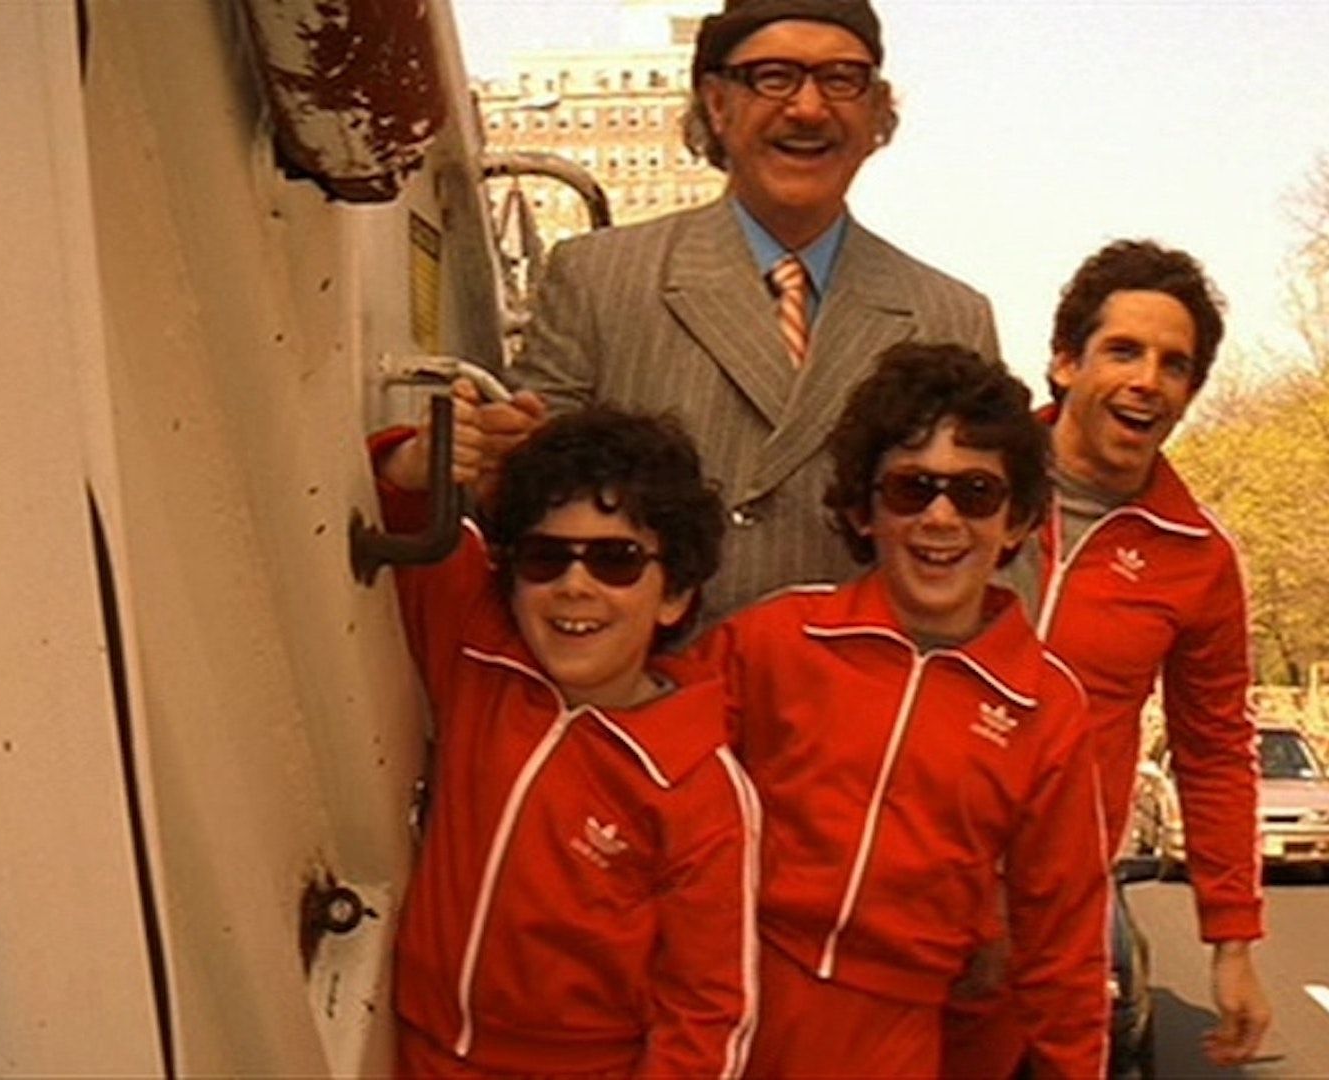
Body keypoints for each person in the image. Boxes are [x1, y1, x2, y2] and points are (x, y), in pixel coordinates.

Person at [509, 0, 1001, 630]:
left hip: (865, 684)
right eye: (774, 77)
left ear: (878, 112)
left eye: (841, 79)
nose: (808, 108)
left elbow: (993, 564)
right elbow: (524, 508)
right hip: (653, 682)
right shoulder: (600, 280)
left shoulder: (951, 316)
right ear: (716, 103)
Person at [693, 342, 1110, 1076]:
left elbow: (1064, 936)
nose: (941, 517)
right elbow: (642, 780)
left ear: (1016, 522)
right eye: (912, 490)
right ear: (865, 511)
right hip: (720, 1005)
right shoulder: (774, 642)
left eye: (975, 493)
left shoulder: (1043, 704)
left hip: (898, 1038)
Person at [948, 240, 1272, 1072]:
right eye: (1123, 351)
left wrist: (1232, 940)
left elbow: (1214, 750)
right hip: (906, 882)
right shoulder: (953, 484)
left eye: (1175, 365)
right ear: (1065, 362)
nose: (1147, 380)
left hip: (1056, 908)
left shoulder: (1197, 556)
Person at [370, 402, 761, 1077]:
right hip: (417, 1051)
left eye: (616, 561)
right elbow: (395, 516)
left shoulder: (698, 790)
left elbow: (708, 1014)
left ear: (675, 595)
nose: (574, 586)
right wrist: (414, 461)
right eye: (546, 558)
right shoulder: (480, 655)